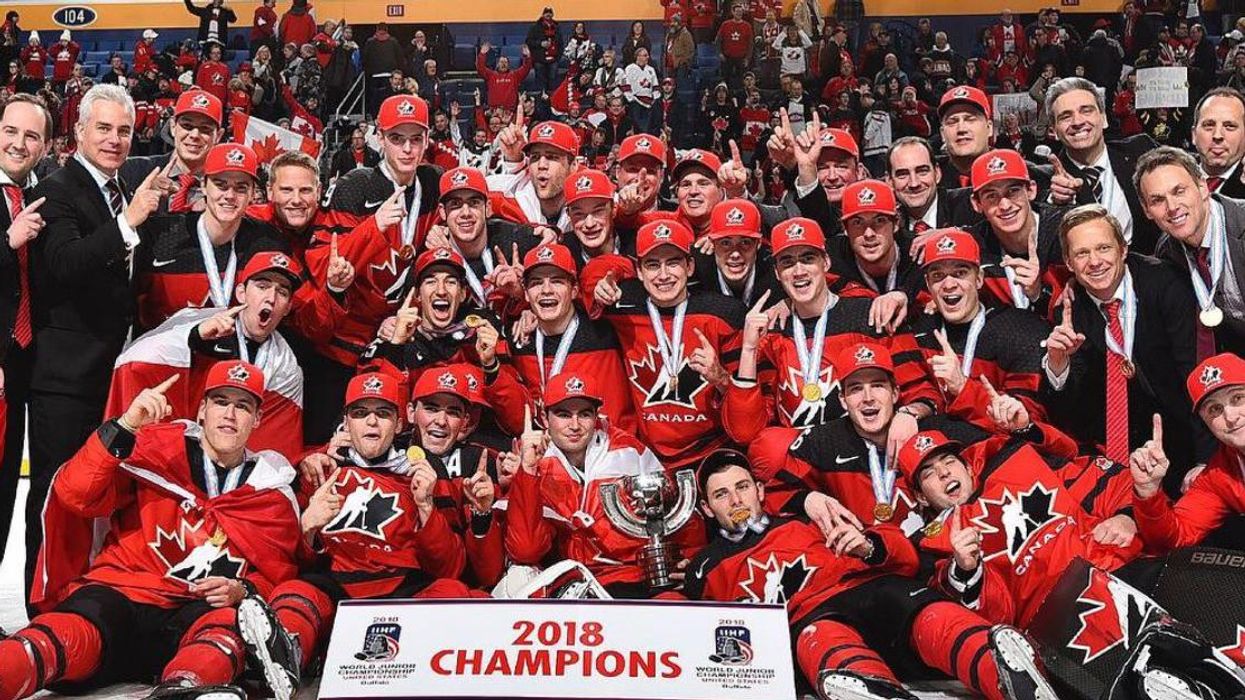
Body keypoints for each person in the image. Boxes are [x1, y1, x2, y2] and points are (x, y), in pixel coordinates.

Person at [17, 361, 301, 700]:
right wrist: (125, 425)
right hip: (122, 596)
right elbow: (75, 492)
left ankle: (184, 688)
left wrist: (243, 589)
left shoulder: (271, 490)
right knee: (52, 640)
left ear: (257, 420)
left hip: (196, 616)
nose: (229, 414)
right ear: (202, 410)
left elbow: (277, 575)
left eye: (242, 406)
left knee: (228, 627)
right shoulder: (153, 450)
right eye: (220, 402)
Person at [687, 447, 1058, 700]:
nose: (736, 500)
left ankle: (1003, 670)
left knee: (926, 612)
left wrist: (868, 546)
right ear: (705, 507)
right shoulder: (703, 568)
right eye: (721, 495)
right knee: (821, 639)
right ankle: (872, 689)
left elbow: (904, 553)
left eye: (742, 487)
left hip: (867, 588)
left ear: (760, 490)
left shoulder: (810, 517)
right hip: (808, 619)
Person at [28, 83, 166, 594]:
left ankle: (87, 603)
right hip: (65, 377)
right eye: (103, 128)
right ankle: (44, 608)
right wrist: (128, 222)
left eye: (124, 131)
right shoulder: (58, 188)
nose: (114, 139)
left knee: (101, 497)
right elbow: (65, 264)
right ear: (79, 131)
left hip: (112, 374)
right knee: (56, 496)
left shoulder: (123, 190)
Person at [264, 370, 475, 690]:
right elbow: (290, 563)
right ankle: (284, 661)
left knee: (452, 592)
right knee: (294, 593)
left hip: (401, 591)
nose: (372, 422)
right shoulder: (319, 471)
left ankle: (430, 678)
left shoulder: (425, 476)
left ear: (400, 424)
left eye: (383, 413)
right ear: (346, 423)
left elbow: (450, 568)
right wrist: (307, 527)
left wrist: (426, 507)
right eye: (361, 413)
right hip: (335, 588)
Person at [1041, 204, 1210, 493]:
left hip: (1185, 440)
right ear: (1068, 262)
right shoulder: (1068, 312)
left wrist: (1206, 459)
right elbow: (1071, 412)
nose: (1095, 261)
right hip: (1120, 457)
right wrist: (1058, 364)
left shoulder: (1166, 284)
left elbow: (1195, 373)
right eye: (1082, 253)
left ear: (1122, 249)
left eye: (1103, 248)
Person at [724, 217, 937, 445]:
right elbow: (745, 432)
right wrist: (748, 350)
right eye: (787, 262)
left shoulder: (871, 315)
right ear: (777, 272)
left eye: (808, 259)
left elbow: (923, 393)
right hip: (804, 458)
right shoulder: (771, 332)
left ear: (826, 262)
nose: (798, 271)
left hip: (866, 452)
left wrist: (910, 413)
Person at [504, 370, 704, 598]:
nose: (575, 425)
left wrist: (691, 560)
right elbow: (526, 550)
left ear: (596, 415)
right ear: (544, 416)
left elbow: (681, 517)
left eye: (584, 414)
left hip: (636, 580)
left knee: (672, 601)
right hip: (571, 587)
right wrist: (528, 471)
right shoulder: (533, 459)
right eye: (564, 415)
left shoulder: (629, 451)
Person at [107, 251, 308, 460]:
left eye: (282, 292)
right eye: (262, 286)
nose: (271, 298)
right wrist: (195, 337)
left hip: (231, 460)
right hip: (177, 451)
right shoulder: (198, 322)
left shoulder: (286, 365)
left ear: (288, 307)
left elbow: (277, 443)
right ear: (241, 293)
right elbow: (140, 358)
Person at [590, 220, 744, 470]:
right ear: (639, 271)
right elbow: (581, 287)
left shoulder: (724, 314)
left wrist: (721, 378)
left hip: (712, 453)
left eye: (673, 263)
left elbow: (748, 406)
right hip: (647, 457)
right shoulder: (621, 309)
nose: (663, 275)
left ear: (689, 266)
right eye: (653, 265)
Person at [911, 230, 1052, 426]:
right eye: (938, 276)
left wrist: (962, 387)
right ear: (928, 284)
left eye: (960, 273)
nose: (949, 284)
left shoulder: (1019, 331)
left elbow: (1027, 424)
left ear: (979, 279)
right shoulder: (919, 333)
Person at [510, 242, 638, 433]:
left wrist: (597, 286)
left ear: (575, 290)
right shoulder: (519, 337)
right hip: (552, 446)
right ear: (526, 294)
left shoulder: (605, 327)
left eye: (557, 281)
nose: (546, 290)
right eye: (536, 283)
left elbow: (624, 265)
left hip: (612, 446)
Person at [0, 93, 49, 568]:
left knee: (5, 490)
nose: (18, 143)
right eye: (10, 131)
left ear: (46, 145)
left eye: (31, 135)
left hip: (23, 364)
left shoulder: (45, 196)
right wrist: (6, 241)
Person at [1136, 146, 1245, 360]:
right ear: (1146, 210)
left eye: (1179, 191)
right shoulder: (1167, 252)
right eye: (1157, 200)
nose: (1172, 207)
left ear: (1203, 187)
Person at [1131, 352, 1245, 551]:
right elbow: (1174, 538)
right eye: (1214, 409)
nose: (1230, 416)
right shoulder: (1217, 476)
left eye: (1238, 397)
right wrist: (1148, 492)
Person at [1045, 77, 1160, 254]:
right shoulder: (1047, 181)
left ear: (1104, 118)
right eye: (1066, 116)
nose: (1077, 122)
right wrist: (1056, 204)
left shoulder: (1141, 150)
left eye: (1086, 111)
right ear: (1053, 130)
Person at [965, 149, 1069, 311]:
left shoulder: (1066, 231)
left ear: (1031, 190)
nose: (1005, 205)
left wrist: (1039, 293)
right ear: (977, 204)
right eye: (991, 196)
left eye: (1013, 191)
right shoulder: (973, 244)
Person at [488, 118, 580, 229]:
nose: (541, 165)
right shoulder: (503, 194)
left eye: (552, 157)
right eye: (535, 157)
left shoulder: (586, 203)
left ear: (573, 166)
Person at [1190, 87, 1245, 198]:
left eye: (1230, 126)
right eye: (1209, 125)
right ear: (1194, 135)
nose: (1217, 135)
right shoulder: (1175, 174)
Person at [476, 42, 532, 112]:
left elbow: (526, 68)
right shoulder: (491, 75)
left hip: (510, 110)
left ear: (509, 65)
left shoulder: (514, 75)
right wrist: (482, 54)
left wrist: (527, 57)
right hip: (494, 111)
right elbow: (480, 68)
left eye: (505, 62)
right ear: (498, 64)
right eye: (501, 62)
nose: (503, 64)